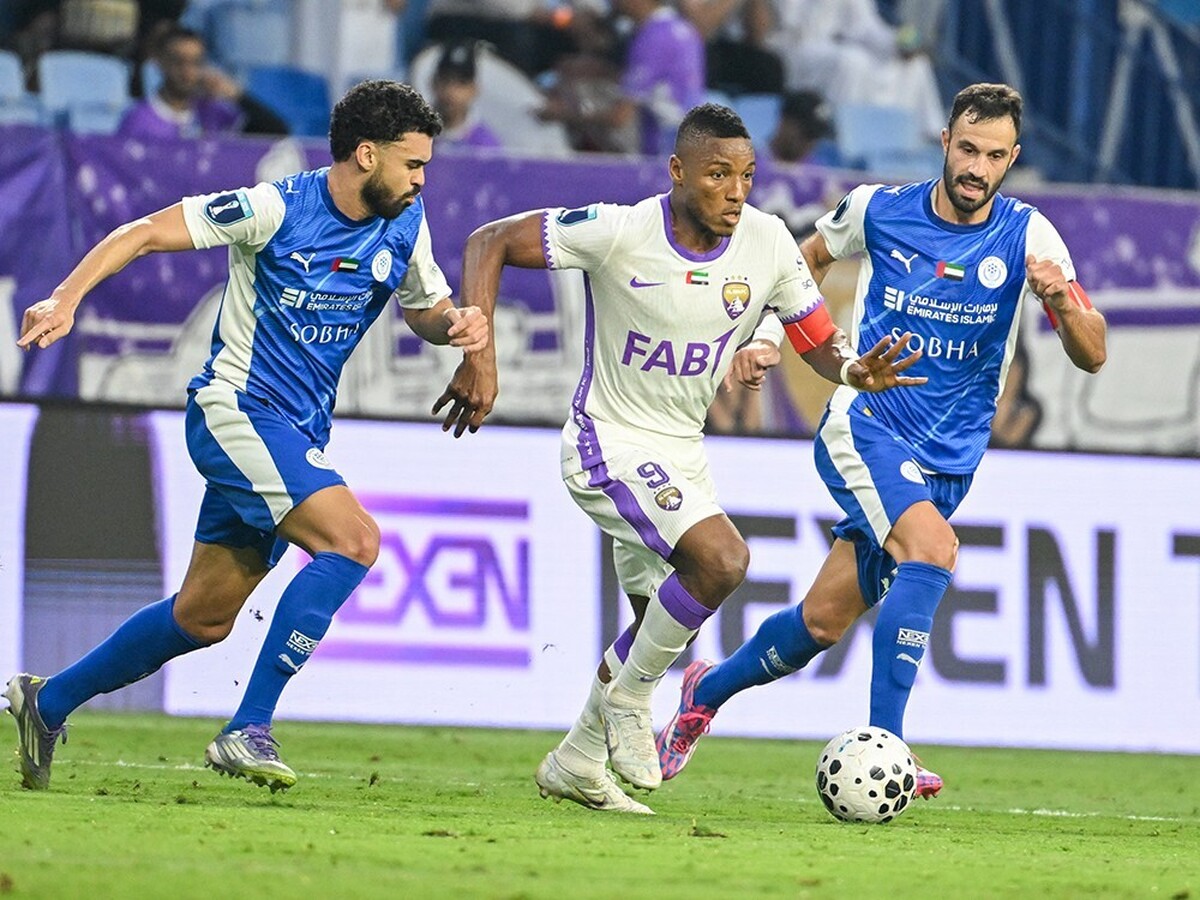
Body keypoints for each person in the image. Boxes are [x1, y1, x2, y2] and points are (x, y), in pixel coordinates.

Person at [434, 102, 925, 813]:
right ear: (678, 171)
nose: (736, 192)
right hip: (607, 441)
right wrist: (480, 356)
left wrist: (850, 369)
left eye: (747, 176)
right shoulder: (620, 231)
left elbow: (815, 336)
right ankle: (632, 702)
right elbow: (490, 241)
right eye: (718, 174)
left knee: (654, 625)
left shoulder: (768, 242)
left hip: (681, 453)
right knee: (722, 562)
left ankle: (577, 759)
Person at [4, 80, 488, 792]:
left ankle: (46, 702)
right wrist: (65, 296)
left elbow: (424, 305)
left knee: (203, 618)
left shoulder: (405, 220)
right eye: (412, 164)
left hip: (296, 430)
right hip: (236, 411)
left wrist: (455, 324)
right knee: (354, 541)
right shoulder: (275, 207)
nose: (421, 180)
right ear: (366, 154)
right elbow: (143, 232)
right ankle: (248, 728)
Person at [655, 83, 1108, 795]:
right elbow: (802, 262)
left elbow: (1094, 352)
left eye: (994, 156)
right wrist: (771, 333)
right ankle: (886, 747)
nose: (977, 168)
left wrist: (1061, 303)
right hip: (866, 423)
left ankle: (703, 692)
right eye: (967, 149)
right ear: (944, 142)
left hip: (951, 459)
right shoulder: (876, 209)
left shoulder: (1030, 236)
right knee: (932, 550)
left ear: (1012, 158)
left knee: (821, 623)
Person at [117, 25, 287, 140]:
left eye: (196, 63)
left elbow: (277, 132)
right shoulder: (138, 119)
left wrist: (237, 95)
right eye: (178, 61)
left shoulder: (213, 112)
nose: (187, 71)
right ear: (161, 62)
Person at [430, 40, 503, 151]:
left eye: (461, 83)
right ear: (433, 83)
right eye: (445, 81)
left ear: (474, 90)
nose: (451, 91)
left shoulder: (486, 146)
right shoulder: (412, 134)